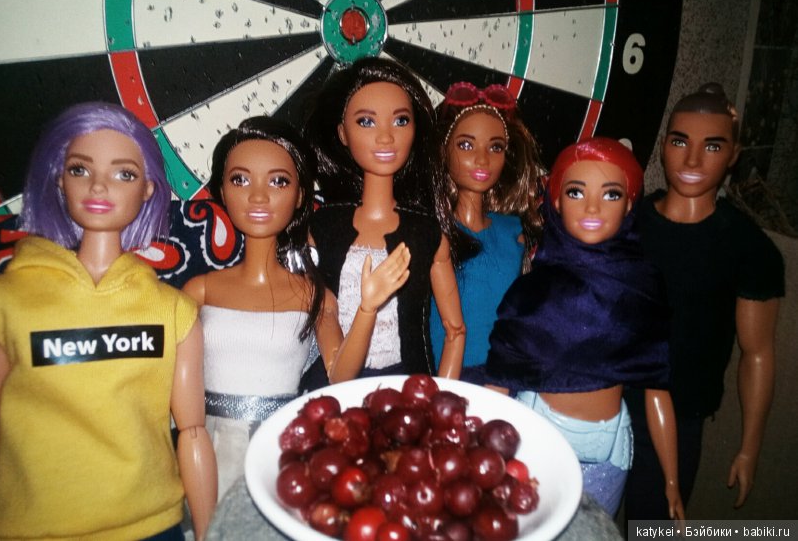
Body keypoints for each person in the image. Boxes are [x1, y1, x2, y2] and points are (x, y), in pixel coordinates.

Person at [0, 102, 217, 540]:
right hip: (26, 529)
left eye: (124, 174)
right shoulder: (11, 300)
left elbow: (192, 432)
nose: (99, 186)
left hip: (149, 526)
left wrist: (209, 533)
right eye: (80, 169)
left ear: (147, 189)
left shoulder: (171, 310)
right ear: (59, 179)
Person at [181, 116, 410, 500]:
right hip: (213, 447)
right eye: (240, 180)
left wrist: (367, 309)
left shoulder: (312, 295)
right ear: (221, 190)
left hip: (284, 444)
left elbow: (340, 375)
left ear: (301, 195)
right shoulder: (201, 290)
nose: (258, 197)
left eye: (278, 182)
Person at [486, 137, 684, 518]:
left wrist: (671, 480)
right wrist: (476, 444)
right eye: (576, 192)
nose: (592, 207)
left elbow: (657, 389)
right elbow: (500, 378)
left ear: (630, 204)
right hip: (536, 437)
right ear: (557, 201)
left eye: (611, 194)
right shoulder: (533, 290)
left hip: (606, 453)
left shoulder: (642, 286)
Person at [623, 83, 784, 519]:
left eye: (712, 146)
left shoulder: (747, 248)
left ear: (733, 154)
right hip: (605, 402)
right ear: (664, 146)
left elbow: (757, 353)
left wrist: (749, 448)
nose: (692, 160)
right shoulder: (628, 223)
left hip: (681, 414)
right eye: (680, 142)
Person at [305, 57, 466, 379]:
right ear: (343, 133)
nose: (385, 137)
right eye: (366, 121)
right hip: (340, 392)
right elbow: (336, 367)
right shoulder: (323, 229)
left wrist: (438, 397)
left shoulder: (426, 233)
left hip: (406, 386)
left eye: (401, 120)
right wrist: (368, 306)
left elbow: (455, 330)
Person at [429, 81, 544, 374]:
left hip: (502, 374)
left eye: (495, 147)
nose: (482, 159)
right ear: (444, 150)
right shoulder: (433, 232)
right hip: (446, 373)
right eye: (466, 145)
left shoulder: (513, 232)